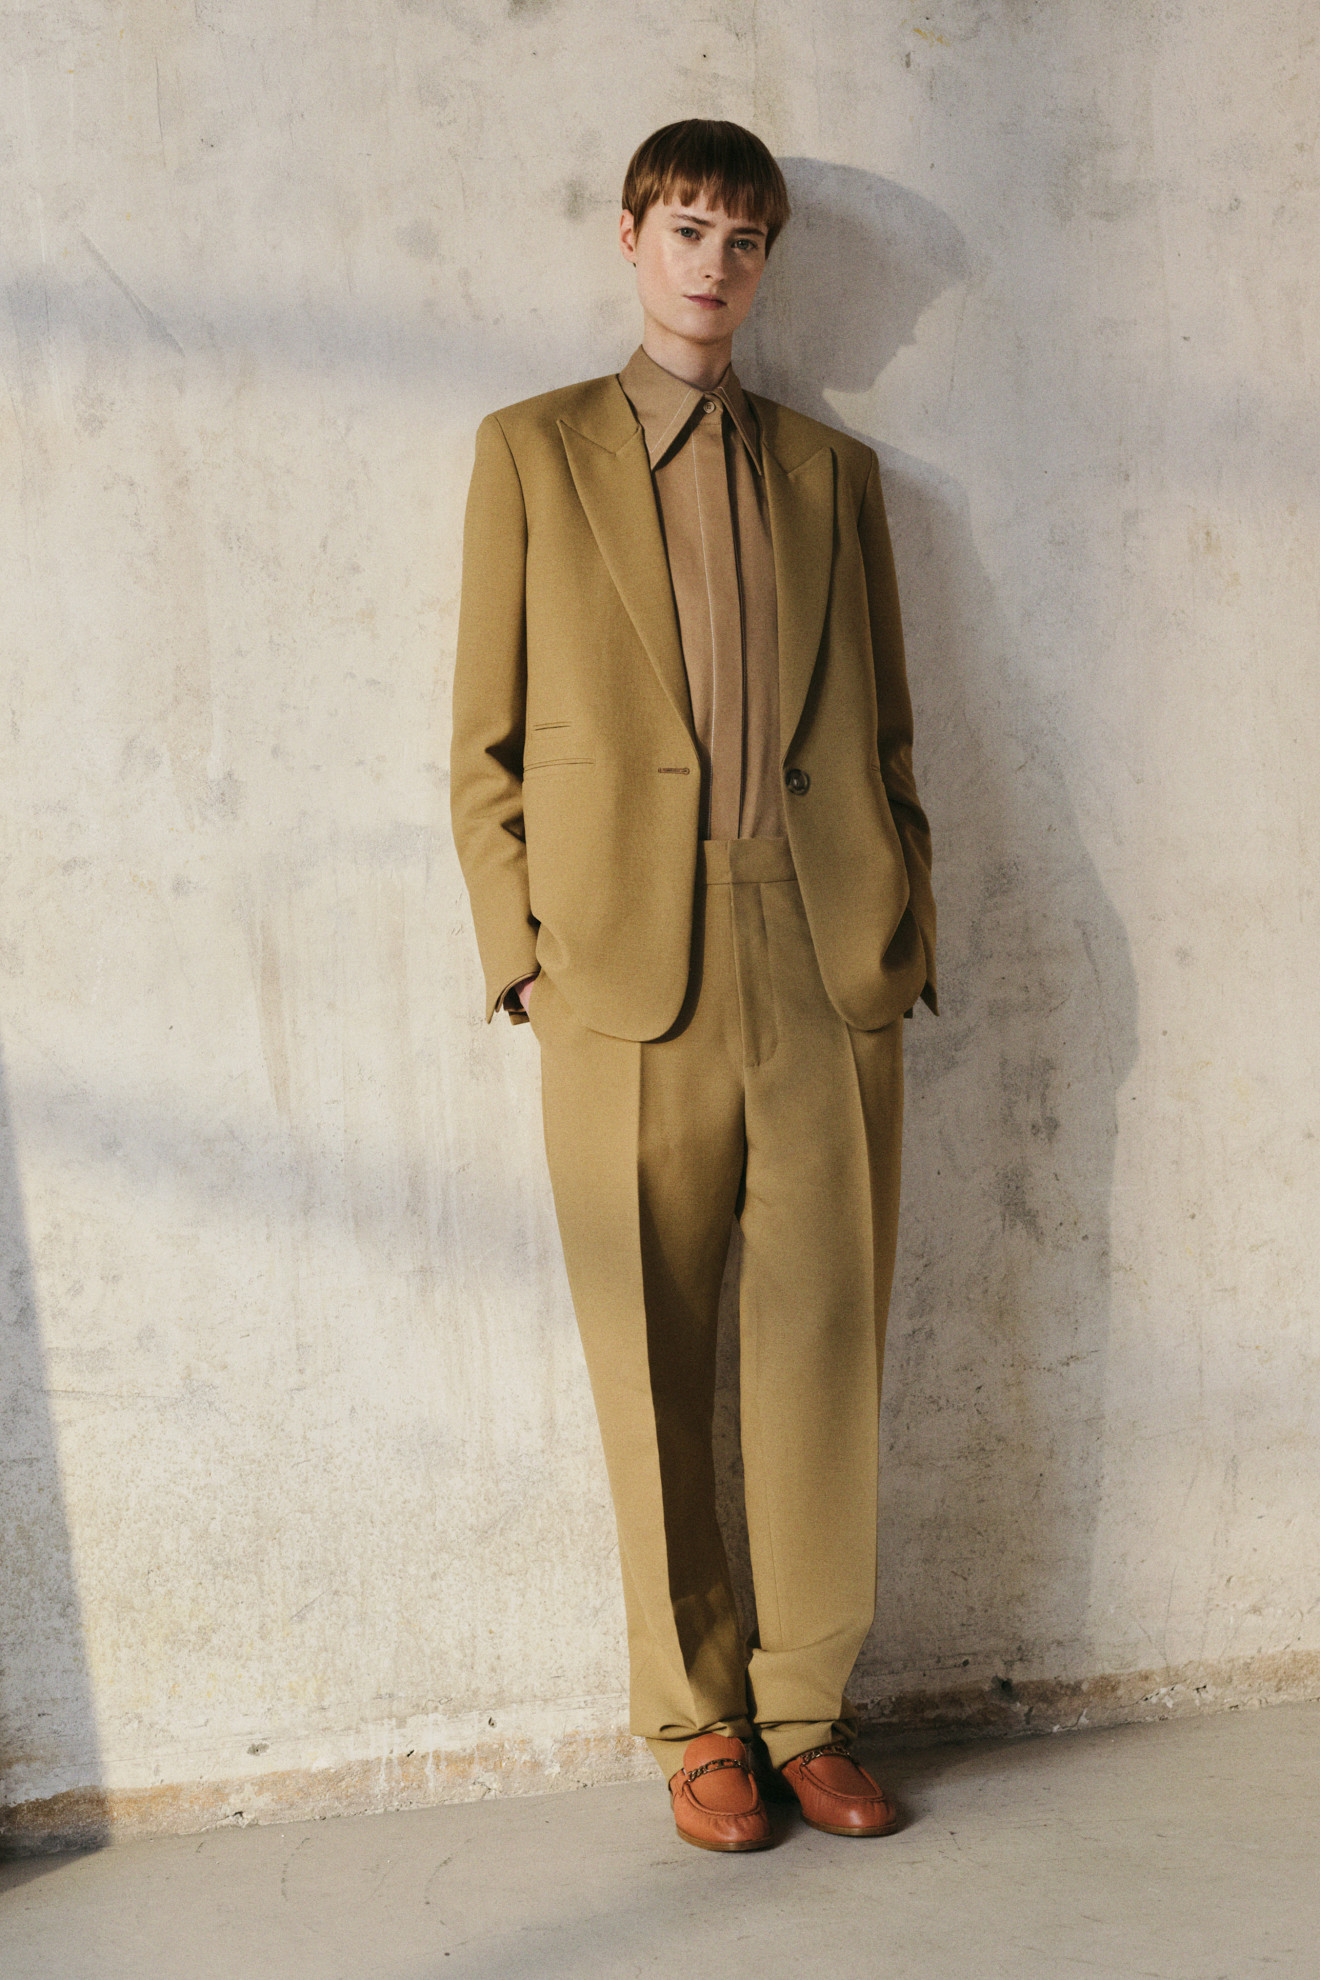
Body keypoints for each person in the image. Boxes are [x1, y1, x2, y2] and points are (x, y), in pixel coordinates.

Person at [451, 118, 935, 1852]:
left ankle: (807, 1709)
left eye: (743, 240)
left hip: (820, 953)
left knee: (819, 1345)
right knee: (646, 1354)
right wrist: (525, 958)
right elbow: (484, 743)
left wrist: (900, 925)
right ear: (631, 239)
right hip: (619, 972)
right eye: (685, 229)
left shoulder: (831, 472)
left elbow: (885, 732)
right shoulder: (532, 450)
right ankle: (697, 1722)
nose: (714, 265)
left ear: (765, 264)